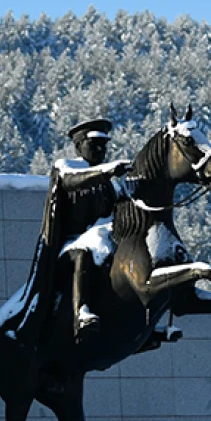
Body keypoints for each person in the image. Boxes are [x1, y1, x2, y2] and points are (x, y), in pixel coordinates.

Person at [53, 119, 130, 338]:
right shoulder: (66, 168)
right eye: (94, 144)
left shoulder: (110, 183)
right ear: (78, 146)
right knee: (83, 255)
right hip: (72, 244)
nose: (100, 150)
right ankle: (81, 312)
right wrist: (107, 172)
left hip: (106, 240)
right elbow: (72, 181)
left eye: (103, 145)